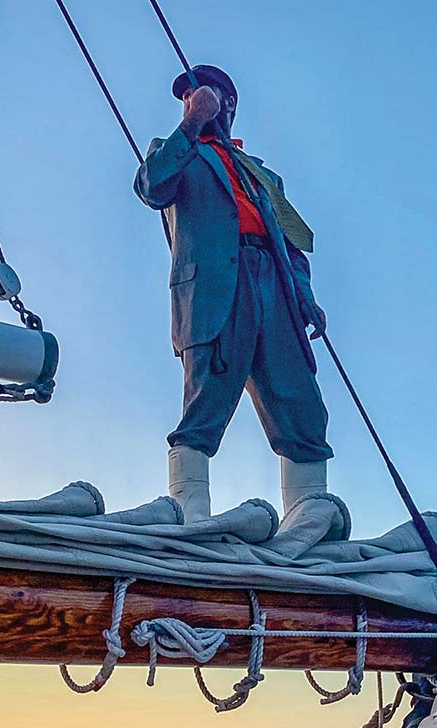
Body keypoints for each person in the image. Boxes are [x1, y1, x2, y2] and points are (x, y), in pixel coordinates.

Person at [134, 64, 332, 523]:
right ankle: (190, 512)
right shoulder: (177, 151)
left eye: (205, 95)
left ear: (229, 103)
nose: (195, 100)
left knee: (298, 396)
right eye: (188, 96)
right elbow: (151, 186)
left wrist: (304, 294)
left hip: (274, 283)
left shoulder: (262, 176)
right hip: (216, 288)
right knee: (208, 393)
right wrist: (190, 123)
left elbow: (289, 242)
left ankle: (308, 518)